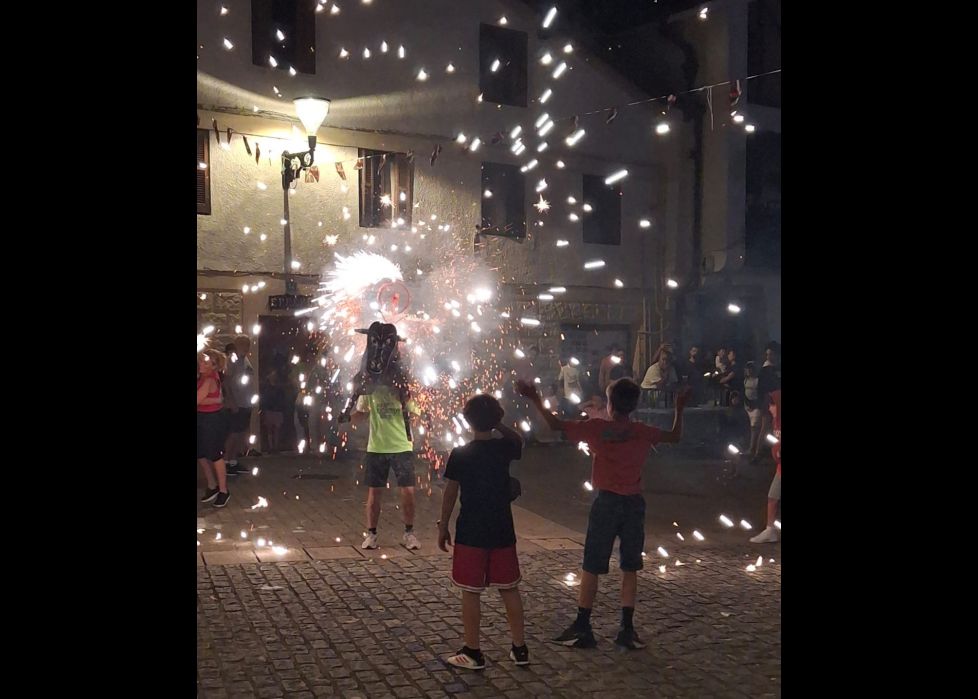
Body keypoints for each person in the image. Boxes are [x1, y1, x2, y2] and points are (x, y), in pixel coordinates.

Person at [518, 377, 690, 650]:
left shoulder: (597, 429)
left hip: (607, 502)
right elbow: (675, 436)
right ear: (634, 405)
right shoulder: (642, 431)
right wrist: (679, 407)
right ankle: (626, 628)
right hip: (633, 503)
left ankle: (583, 625)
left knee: (592, 565)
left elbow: (556, 425)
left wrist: (534, 398)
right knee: (630, 566)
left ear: (610, 405)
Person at [438, 394, 528, 670]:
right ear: (497, 419)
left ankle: (473, 651)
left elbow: (450, 493)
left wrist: (443, 526)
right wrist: (498, 422)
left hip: (471, 531)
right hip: (502, 527)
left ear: (467, 420)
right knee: (509, 589)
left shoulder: (461, 454)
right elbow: (518, 441)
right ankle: (520, 648)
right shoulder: (504, 448)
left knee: (471, 591)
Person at [350, 377, 422, 551]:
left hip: (402, 446)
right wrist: (346, 417)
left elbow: (416, 413)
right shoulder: (370, 390)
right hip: (377, 447)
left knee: (408, 491)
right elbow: (360, 414)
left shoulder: (403, 389)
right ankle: (371, 534)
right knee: (374, 493)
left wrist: (409, 398)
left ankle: (409, 533)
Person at [198, 349, 231, 507]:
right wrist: (215, 400)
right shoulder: (203, 377)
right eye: (201, 361)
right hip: (203, 418)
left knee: (215, 454)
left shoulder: (209, 379)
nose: (201, 364)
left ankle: (224, 491)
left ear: (213, 365)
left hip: (211, 420)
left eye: (205, 362)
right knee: (200, 453)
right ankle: (212, 486)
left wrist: (214, 402)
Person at [750, 390, 781, 543]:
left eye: (772, 405)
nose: (770, 408)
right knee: (772, 497)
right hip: (781, 469)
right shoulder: (776, 421)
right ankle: (770, 530)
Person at [224, 336, 255, 475]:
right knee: (233, 433)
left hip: (245, 402)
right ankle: (225, 462)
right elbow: (226, 381)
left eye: (247, 344)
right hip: (236, 403)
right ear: (236, 345)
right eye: (243, 344)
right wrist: (231, 401)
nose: (246, 347)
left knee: (241, 433)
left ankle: (233, 461)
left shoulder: (245, 360)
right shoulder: (232, 360)